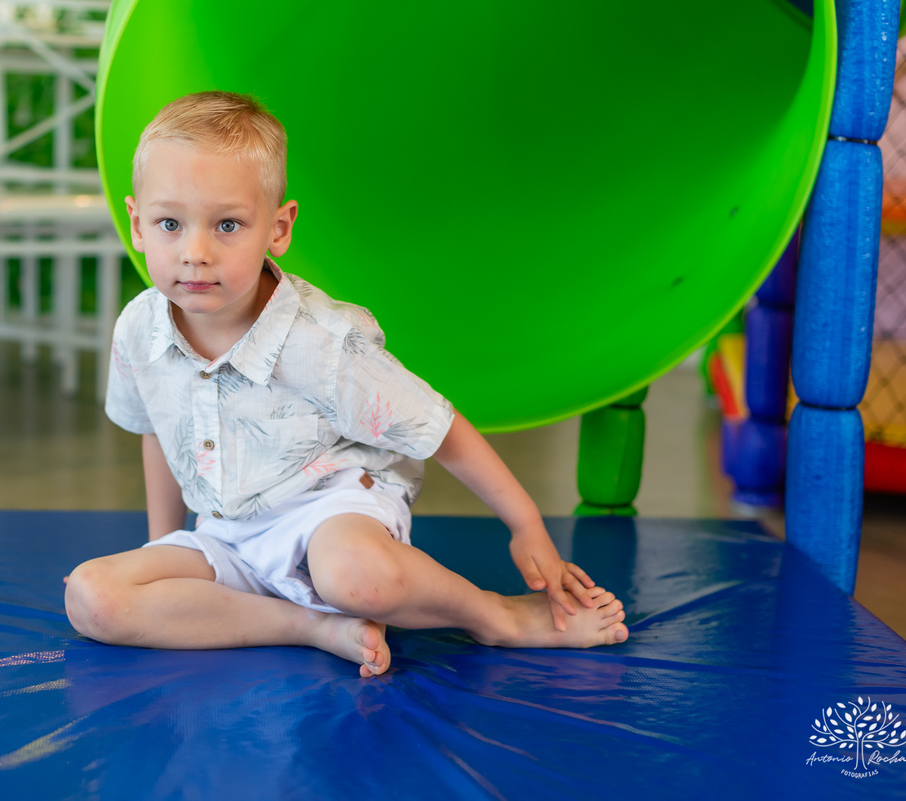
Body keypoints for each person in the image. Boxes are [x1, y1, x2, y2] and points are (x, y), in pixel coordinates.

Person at [65, 91, 628, 677]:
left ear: (277, 229)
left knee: (354, 576)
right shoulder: (139, 329)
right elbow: (158, 431)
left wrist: (525, 524)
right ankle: (312, 627)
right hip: (227, 533)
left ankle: (496, 617)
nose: (195, 252)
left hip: (330, 513)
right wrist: (164, 550)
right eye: (170, 224)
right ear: (136, 223)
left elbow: (439, 427)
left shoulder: (322, 342)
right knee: (92, 596)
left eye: (227, 224)